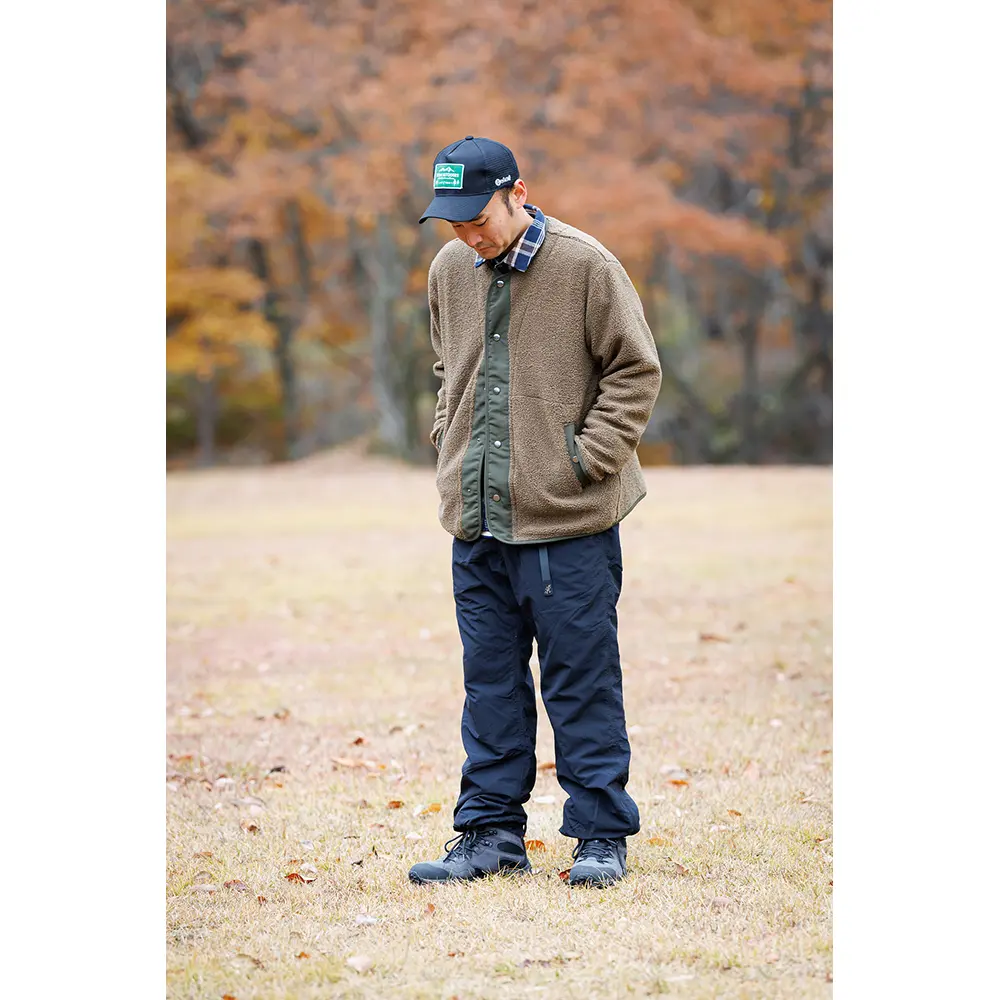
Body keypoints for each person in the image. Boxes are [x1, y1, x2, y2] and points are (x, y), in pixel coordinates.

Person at [408, 136, 662, 887]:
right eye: (454, 221)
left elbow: (636, 369)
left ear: (517, 192)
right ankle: (490, 835)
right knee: (489, 686)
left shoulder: (587, 266)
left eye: (479, 217)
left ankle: (600, 837)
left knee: (581, 683)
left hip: (567, 522)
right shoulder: (448, 269)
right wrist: (448, 442)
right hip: (476, 520)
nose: (469, 234)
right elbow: (448, 367)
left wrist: (584, 460)